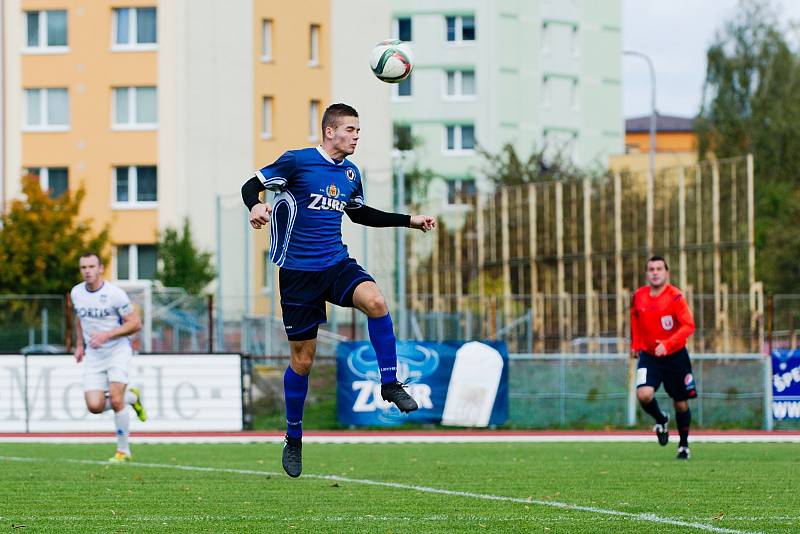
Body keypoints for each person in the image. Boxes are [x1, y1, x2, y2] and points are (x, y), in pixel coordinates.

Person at [241, 103, 436, 478]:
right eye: (351, 129)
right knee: (303, 361)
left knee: (376, 301)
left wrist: (409, 220)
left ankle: (390, 383)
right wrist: (255, 206)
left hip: (335, 264)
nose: (356, 136)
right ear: (330, 131)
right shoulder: (297, 162)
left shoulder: (350, 173)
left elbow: (359, 213)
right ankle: (293, 436)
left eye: (359, 131)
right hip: (298, 274)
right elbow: (251, 184)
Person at [71, 252, 147, 462]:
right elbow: (80, 318)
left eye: (91, 267)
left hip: (117, 351)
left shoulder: (115, 294)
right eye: (83, 267)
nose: (87, 271)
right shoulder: (76, 293)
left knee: (115, 400)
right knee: (94, 406)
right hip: (94, 355)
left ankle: (123, 451)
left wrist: (106, 335)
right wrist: (80, 345)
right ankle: (132, 397)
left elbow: (135, 323)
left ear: (101, 268)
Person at [630, 255, 697, 460]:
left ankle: (683, 445)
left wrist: (668, 344)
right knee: (643, 394)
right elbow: (635, 318)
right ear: (647, 273)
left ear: (666, 272)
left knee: (681, 403)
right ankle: (661, 419)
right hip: (649, 356)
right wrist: (635, 344)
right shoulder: (639, 296)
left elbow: (689, 326)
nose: (655, 272)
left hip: (675, 356)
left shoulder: (675, 297)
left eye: (659, 268)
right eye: (651, 269)